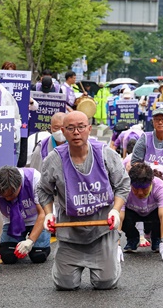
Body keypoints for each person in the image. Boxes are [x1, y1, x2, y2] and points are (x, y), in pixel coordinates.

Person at [37, 111, 130, 291]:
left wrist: (115, 210)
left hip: (101, 230)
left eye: (81, 127)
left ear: (89, 129)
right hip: (70, 232)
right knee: (64, 285)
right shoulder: (54, 159)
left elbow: (123, 185)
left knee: (106, 283)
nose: (76, 132)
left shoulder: (106, 155)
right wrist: (49, 214)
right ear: (63, 132)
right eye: (70, 128)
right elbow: (42, 189)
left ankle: (111, 252)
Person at [0, 166, 50, 264]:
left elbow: (43, 213)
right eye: (3, 196)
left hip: (37, 219)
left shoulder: (35, 179)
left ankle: (34, 243)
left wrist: (30, 241)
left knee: (38, 256)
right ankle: (19, 241)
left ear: (19, 185)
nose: (7, 199)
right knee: (7, 257)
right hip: (12, 222)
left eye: (10, 195)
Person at [121, 163, 163, 259]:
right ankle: (133, 237)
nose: (140, 193)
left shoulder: (160, 187)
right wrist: (117, 244)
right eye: (136, 189)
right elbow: (119, 216)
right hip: (132, 212)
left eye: (144, 189)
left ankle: (156, 237)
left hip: (153, 212)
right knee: (118, 217)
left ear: (151, 183)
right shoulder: (124, 187)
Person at [131, 107, 163, 174]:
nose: (160, 122)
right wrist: (148, 172)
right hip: (146, 179)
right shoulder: (144, 138)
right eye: (157, 119)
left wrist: (160, 172)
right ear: (153, 121)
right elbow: (135, 162)